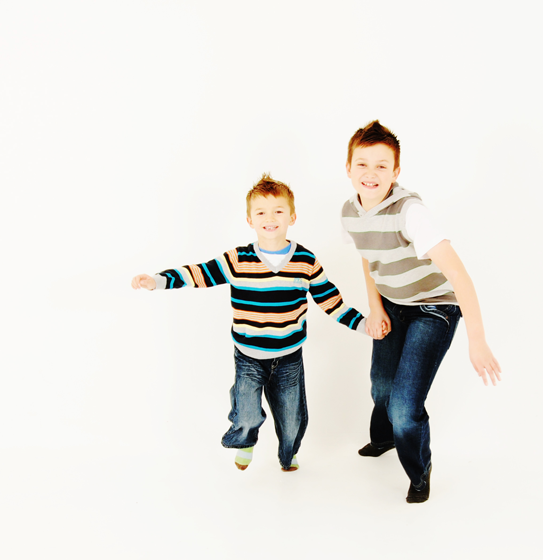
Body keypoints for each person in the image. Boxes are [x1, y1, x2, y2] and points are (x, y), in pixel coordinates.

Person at [132, 173, 373, 472]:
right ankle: (244, 439)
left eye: (278, 211)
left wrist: (363, 324)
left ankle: (288, 454)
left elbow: (330, 301)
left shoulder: (305, 261)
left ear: (292, 217)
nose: (269, 218)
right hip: (248, 355)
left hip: (288, 357)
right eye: (261, 213)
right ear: (250, 220)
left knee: (293, 419)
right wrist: (157, 281)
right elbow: (200, 273)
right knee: (246, 414)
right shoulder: (238, 260)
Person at [341, 120, 502, 503]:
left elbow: (458, 274)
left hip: (434, 309)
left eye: (382, 165)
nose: (371, 173)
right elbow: (367, 255)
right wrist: (375, 308)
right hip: (392, 305)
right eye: (362, 164)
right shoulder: (349, 212)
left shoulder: (411, 212)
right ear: (348, 168)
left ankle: (419, 471)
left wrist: (477, 340)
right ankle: (384, 438)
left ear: (395, 171)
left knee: (404, 406)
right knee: (381, 386)